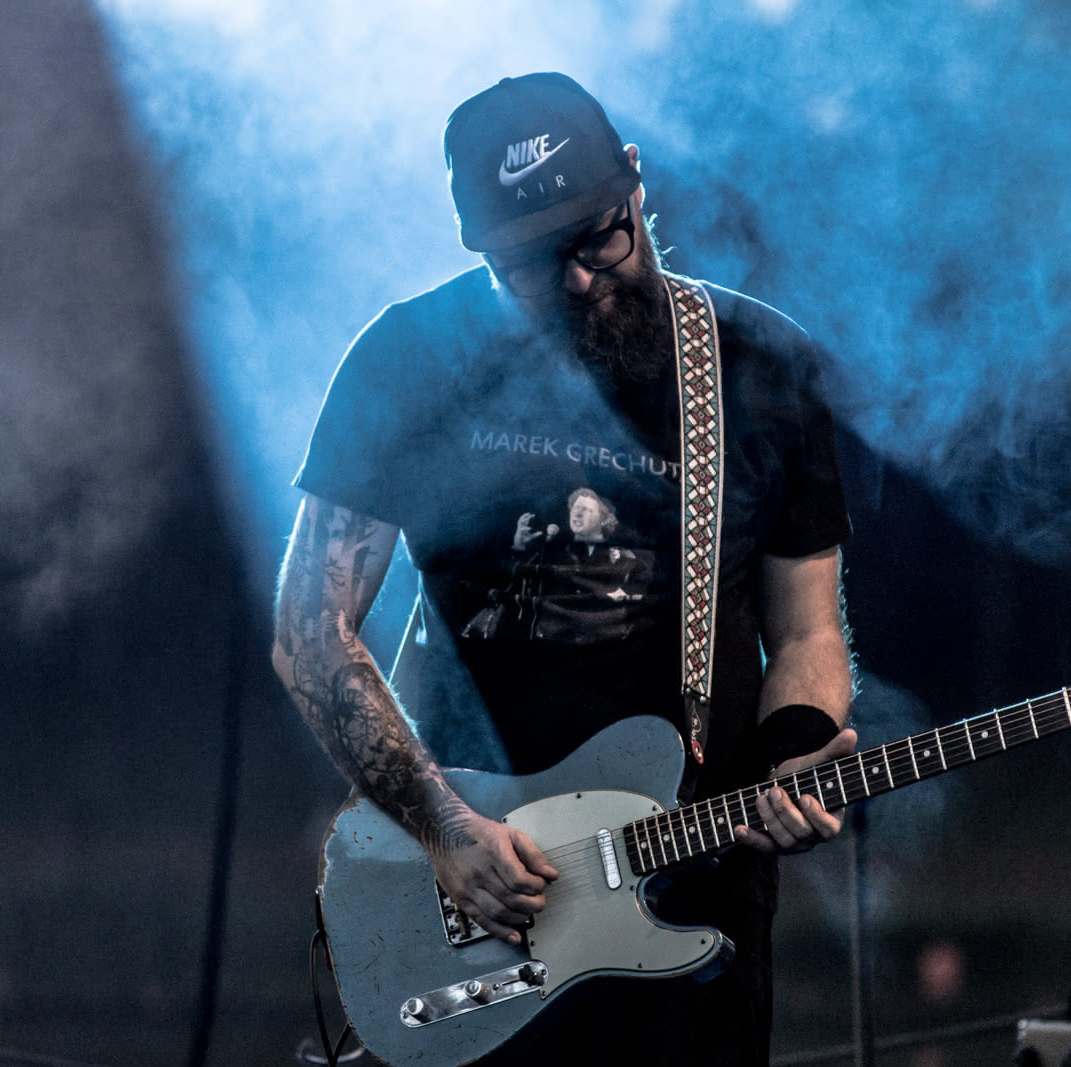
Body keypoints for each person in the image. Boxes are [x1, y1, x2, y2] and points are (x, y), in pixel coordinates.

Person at [273, 72, 857, 1066]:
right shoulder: (406, 360)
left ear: (634, 181)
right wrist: (444, 829)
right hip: (473, 899)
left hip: (692, 890)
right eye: (535, 265)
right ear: (478, 249)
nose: (581, 281)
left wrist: (796, 743)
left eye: (599, 239)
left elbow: (805, 628)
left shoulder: (759, 367)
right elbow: (308, 631)